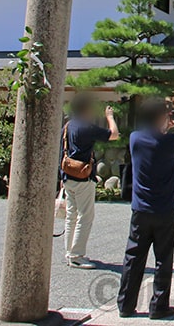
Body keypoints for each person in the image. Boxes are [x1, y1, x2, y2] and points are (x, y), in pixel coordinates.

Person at [117, 97, 174, 319]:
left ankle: (125, 304)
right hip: (165, 209)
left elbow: (153, 135)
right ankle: (158, 306)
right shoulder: (170, 142)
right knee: (163, 258)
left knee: (133, 256)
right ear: (162, 116)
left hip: (140, 209)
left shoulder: (135, 139)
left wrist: (165, 126)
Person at [61, 96, 119, 269]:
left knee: (71, 216)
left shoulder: (68, 126)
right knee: (85, 216)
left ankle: (69, 252)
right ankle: (77, 255)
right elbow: (114, 135)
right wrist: (109, 117)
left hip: (68, 175)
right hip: (83, 176)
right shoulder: (87, 127)